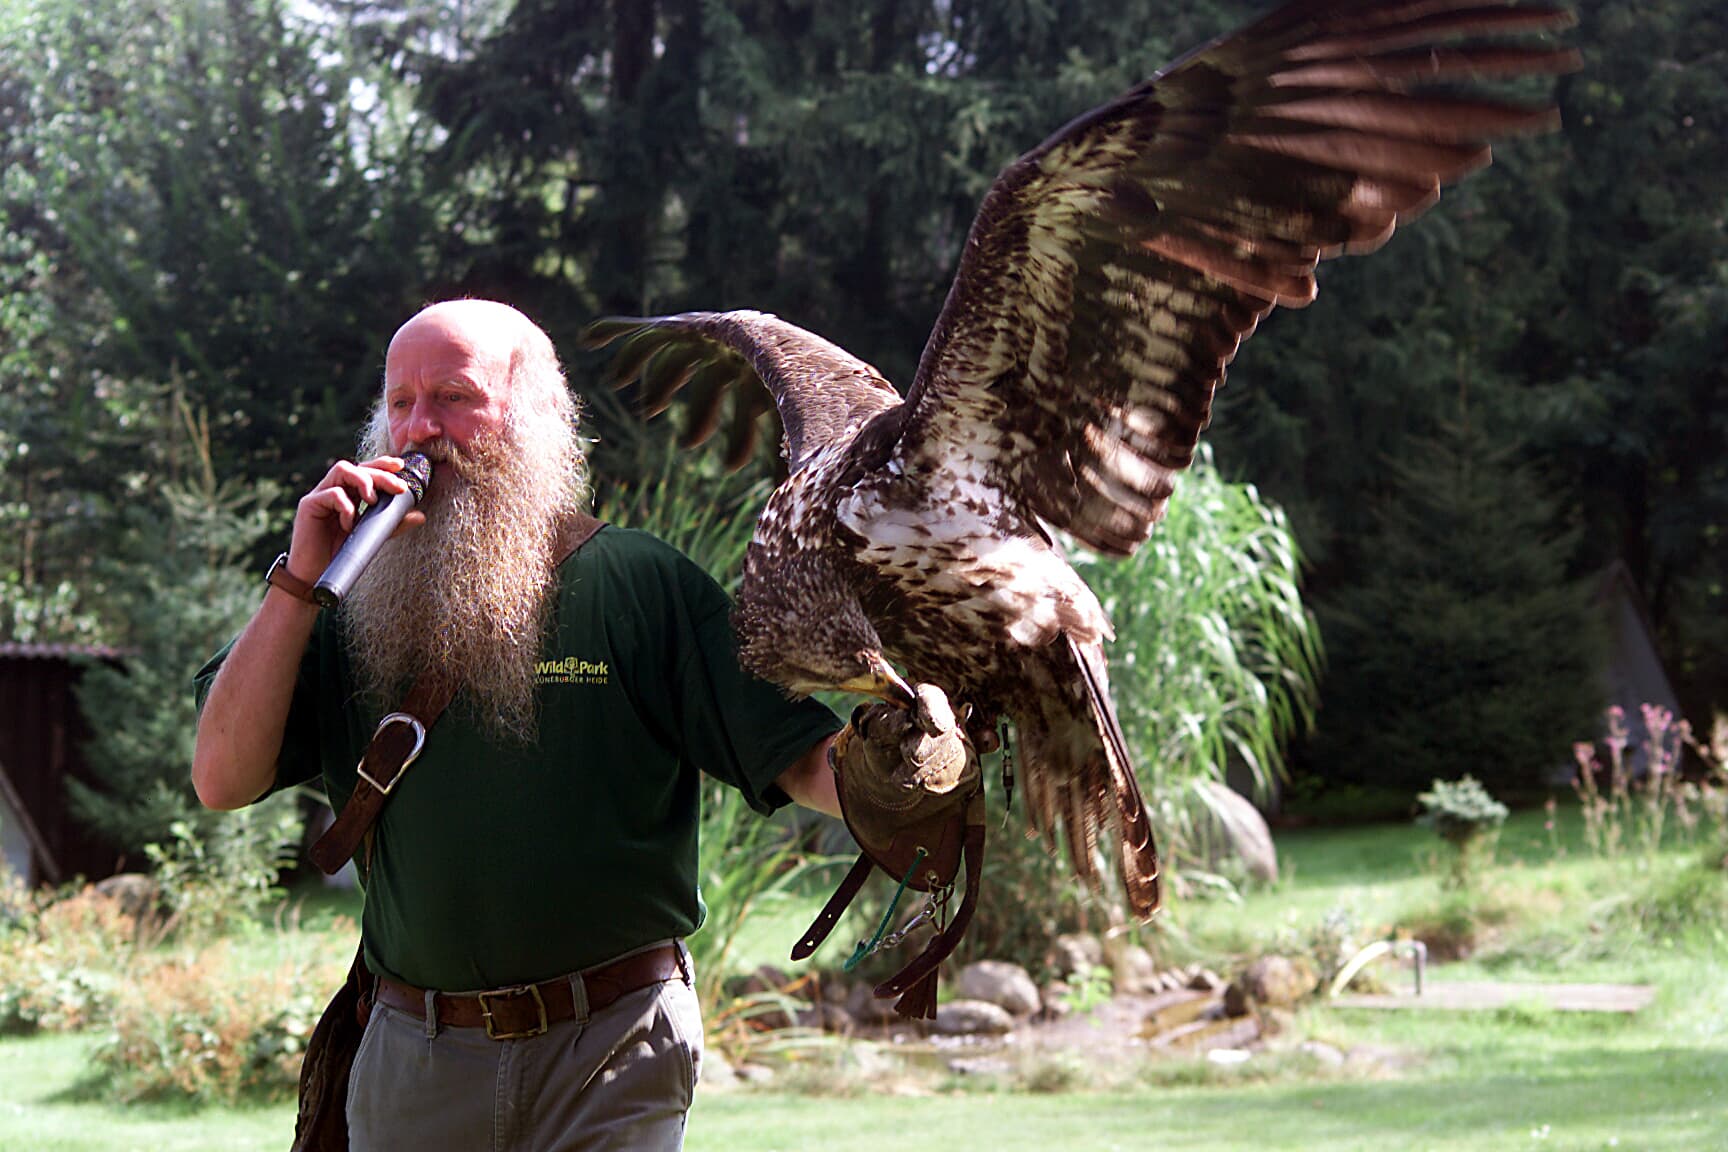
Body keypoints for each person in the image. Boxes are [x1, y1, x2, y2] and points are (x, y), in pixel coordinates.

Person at [190, 299, 855, 1151]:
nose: (421, 428)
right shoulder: (343, 597)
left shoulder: (637, 583)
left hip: (612, 1045)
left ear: (535, 415)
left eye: (455, 397)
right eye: (400, 402)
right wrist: (297, 583)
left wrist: (911, 767)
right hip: (413, 1058)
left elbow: (803, 759)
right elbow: (221, 779)